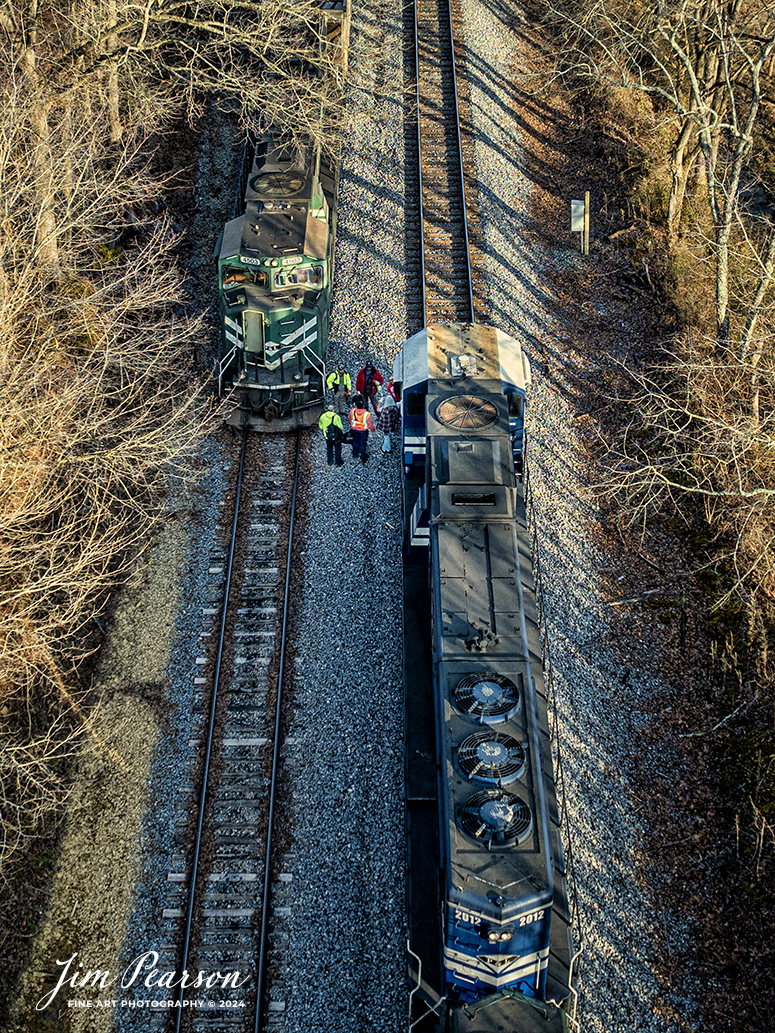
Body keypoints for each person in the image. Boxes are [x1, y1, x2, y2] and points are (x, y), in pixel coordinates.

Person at [348, 395, 375, 464]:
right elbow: (370, 423)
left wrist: (352, 425)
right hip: (363, 430)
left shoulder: (352, 411)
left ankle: (355, 454)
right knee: (363, 443)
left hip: (354, 429)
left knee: (355, 441)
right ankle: (363, 456)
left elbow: (350, 419)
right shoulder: (367, 414)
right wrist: (372, 429)